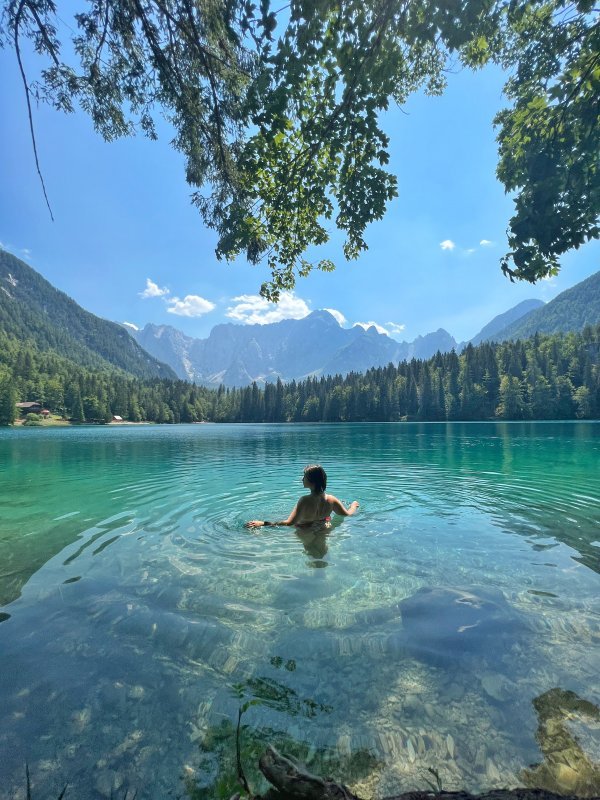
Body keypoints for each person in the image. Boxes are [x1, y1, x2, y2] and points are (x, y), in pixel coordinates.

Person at [245, 464, 359, 529]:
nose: (302, 479)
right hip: (324, 529)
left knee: (310, 556)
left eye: (304, 477)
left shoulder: (304, 500)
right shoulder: (331, 500)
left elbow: (289, 523)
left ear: (312, 481)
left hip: (304, 531)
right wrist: (354, 505)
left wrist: (263, 523)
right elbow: (347, 514)